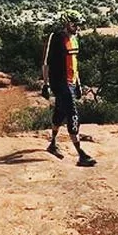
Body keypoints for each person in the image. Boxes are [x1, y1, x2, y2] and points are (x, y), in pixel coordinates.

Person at [41, 9, 97, 167]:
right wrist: (45, 84)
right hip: (60, 82)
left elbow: (74, 63)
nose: (77, 27)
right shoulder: (56, 37)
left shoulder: (75, 39)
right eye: (74, 24)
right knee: (73, 114)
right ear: (66, 23)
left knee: (59, 112)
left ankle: (52, 143)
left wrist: (78, 83)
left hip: (71, 82)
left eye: (79, 24)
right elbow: (45, 62)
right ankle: (81, 155)